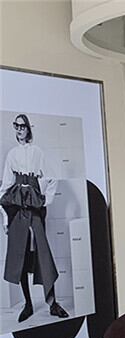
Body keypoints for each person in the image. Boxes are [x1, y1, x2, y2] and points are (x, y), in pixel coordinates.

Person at [1, 113, 68, 322]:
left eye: (23, 126)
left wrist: (45, 200)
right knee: (19, 255)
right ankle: (28, 304)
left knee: (43, 255)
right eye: (16, 126)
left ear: (29, 129)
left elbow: (52, 177)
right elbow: (5, 186)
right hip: (16, 209)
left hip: (34, 207)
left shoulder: (38, 152)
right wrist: (5, 219)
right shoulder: (12, 154)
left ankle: (53, 304)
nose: (19, 129)